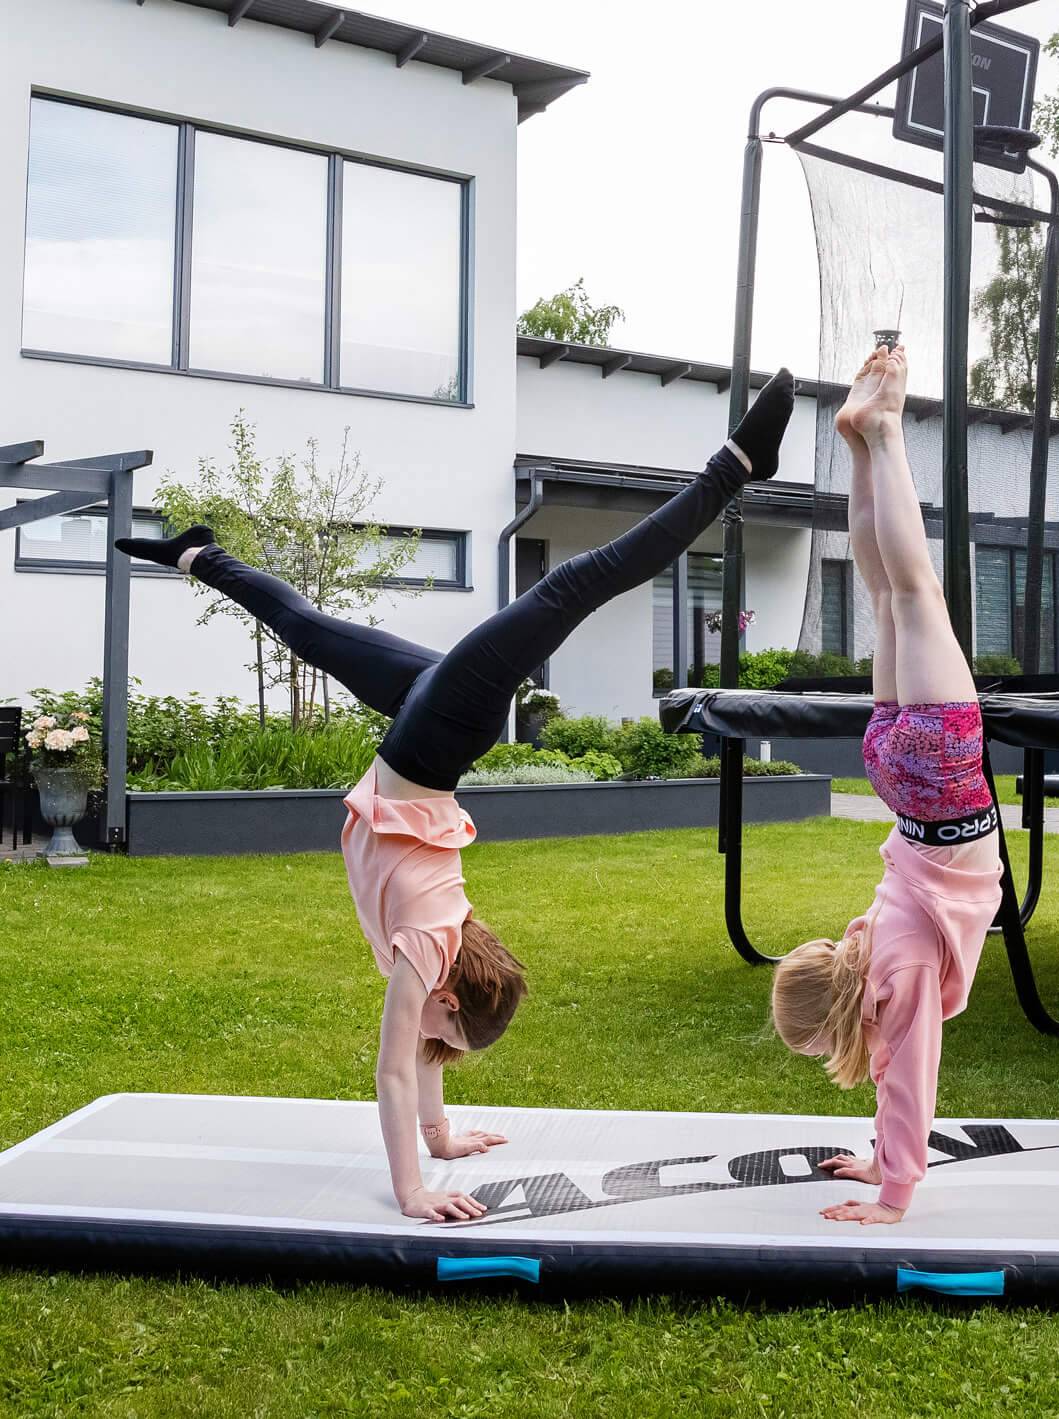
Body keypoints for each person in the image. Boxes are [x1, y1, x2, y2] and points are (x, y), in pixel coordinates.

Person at [115, 369, 798, 1221]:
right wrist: (411, 1191)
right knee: (574, 584)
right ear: (445, 994)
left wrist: (439, 1142)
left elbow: (421, 1054)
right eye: (446, 1029)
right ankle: (735, 467)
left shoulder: (432, 961)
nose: (435, 1044)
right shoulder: (426, 950)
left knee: (306, 631)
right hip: (436, 738)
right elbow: (399, 1063)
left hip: (422, 725)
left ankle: (198, 553)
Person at [768, 344, 1003, 1225]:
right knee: (883, 593)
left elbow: (910, 1076)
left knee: (913, 589)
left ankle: (887, 430)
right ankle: (863, 444)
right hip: (898, 782)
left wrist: (894, 1189)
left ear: (841, 1018)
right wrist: (873, 1157)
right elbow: (889, 1064)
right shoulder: (867, 949)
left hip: (942, 787)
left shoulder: (893, 974)